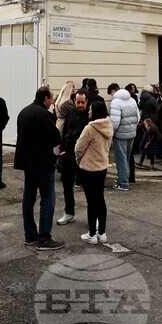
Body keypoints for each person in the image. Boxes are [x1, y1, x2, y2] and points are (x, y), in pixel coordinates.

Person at [14, 86, 64, 250]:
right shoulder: (44, 115)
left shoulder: (24, 112)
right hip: (42, 163)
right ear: (45, 99)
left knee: (28, 198)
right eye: (51, 99)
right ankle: (44, 238)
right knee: (47, 200)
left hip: (27, 163)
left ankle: (30, 235)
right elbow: (55, 138)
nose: (52, 102)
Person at [75, 101, 114, 243]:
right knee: (100, 199)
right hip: (102, 167)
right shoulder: (108, 125)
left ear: (95, 111)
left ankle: (91, 234)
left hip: (89, 168)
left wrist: (79, 160)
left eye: (90, 109)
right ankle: (102, 233)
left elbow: (79, 148)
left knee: (91, 201)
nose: (88, 111)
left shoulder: (90, 128)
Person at [56, 90, 88, 226]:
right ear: (74, 101)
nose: (80, 105)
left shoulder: (90, 116)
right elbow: (65, 133)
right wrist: (62, 150)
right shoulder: (70, 113)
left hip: (83, 157)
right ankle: (69, 213)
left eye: (82, 102)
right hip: (68, 155)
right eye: (78, 102)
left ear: (87, 102)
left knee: (88, 188)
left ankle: (93, 217)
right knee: (67, 186)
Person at [108, 84, 138, 191]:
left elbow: (115, 122)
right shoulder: (132, 100)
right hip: (131, 134)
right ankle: (122, 179)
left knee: (121, 160)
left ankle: (123, 183)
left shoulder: (116, 102)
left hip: (120, 135)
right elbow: (137, 117)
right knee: (126, 158)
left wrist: (112, 133)